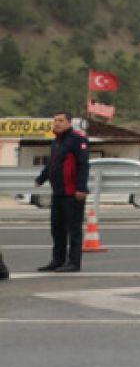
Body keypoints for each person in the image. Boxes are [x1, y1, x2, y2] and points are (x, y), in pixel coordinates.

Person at [34, 111, 89, 272]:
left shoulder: (77, 139)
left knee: (74, 229)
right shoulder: (56, 142)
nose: (57, 123)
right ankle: (57, 260)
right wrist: (41, 178)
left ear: (69, 122)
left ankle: (74, 263)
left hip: (73, 193)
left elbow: (83, 165)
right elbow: (52, 163)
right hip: (57, 192)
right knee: (57, 229)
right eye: (55, 120)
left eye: (60, 120)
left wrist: (81, 187)